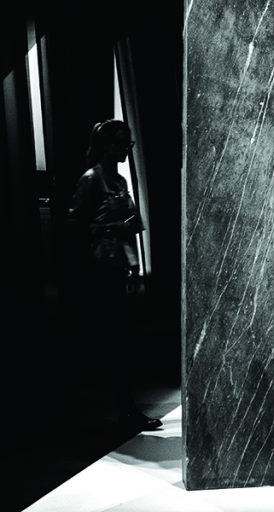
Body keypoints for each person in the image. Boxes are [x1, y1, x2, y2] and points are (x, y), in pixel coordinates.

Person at [67, 119, 161, 432]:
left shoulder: (119, 181)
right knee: (111, 342)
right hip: (100, 272)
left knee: (122, 341)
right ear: (106, 146)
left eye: (128, 144)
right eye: (121, 144)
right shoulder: (91, 180)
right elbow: (75, 227)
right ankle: (118, 410)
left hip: (120, 266)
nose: (125, 150)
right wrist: (112, 228)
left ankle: (122, 409)